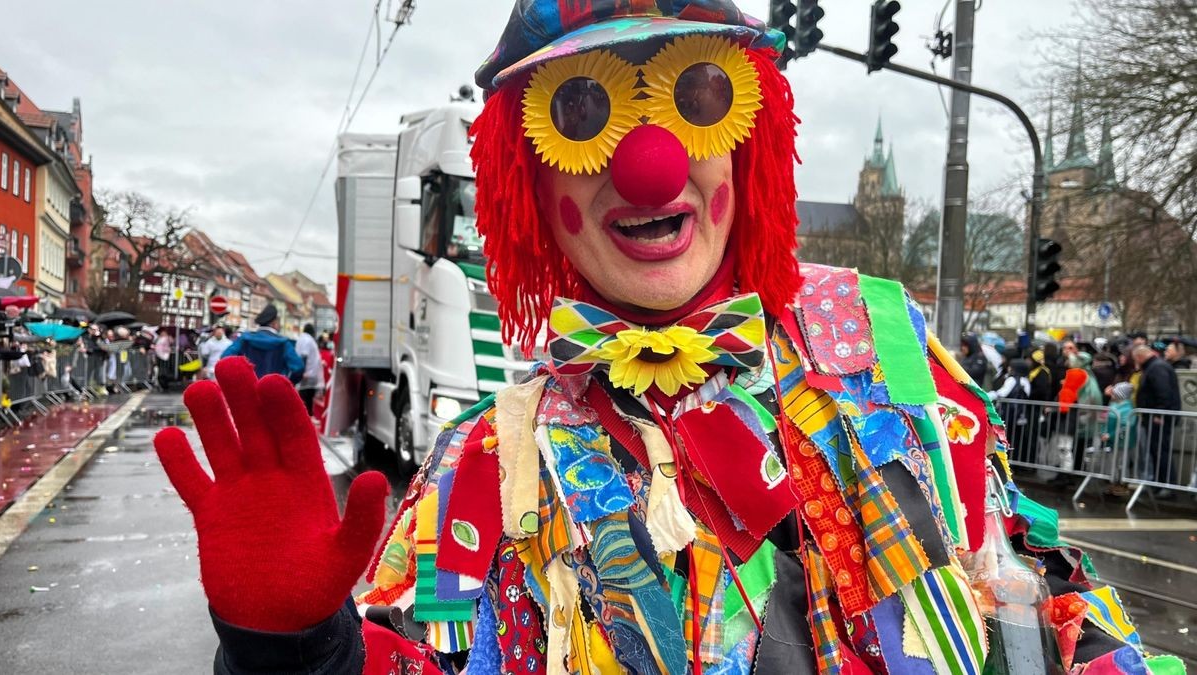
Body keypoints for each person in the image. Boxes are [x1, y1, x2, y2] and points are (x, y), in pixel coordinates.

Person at [153, 3, 1163, 673]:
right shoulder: (485, 459)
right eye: (583, 111)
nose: (648, 165)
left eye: (698, 98)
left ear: (749, 141)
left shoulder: (885, 351)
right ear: (530, 187)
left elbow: (1044, 607)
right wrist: (293, 647)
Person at [1132, 344, 1181, 494]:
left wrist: (1159, 414)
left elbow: (1163, 393)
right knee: (1157, 451)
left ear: (1140, 357)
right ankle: (1160, 484)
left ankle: (1166, 485)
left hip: (1158, 418)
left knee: (1160, 451)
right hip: (1155, 417)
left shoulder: (1156, 368)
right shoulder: (1156, 367)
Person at [221, 304, 303, 381]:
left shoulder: (244, 339)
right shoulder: (284, 343)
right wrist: (287, 383)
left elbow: (225, 358)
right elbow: (298, 368)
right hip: (274, 390)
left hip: (250, 389)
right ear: (274, 323)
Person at [294, 323, 325, 415]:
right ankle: (307, 415)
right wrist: (303, 371)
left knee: (306, 395)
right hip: (308, 373)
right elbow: (304, 355)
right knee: (306, 395)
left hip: (308, 372)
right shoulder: (307, 340)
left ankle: (308, 414)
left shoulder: (302, 339)